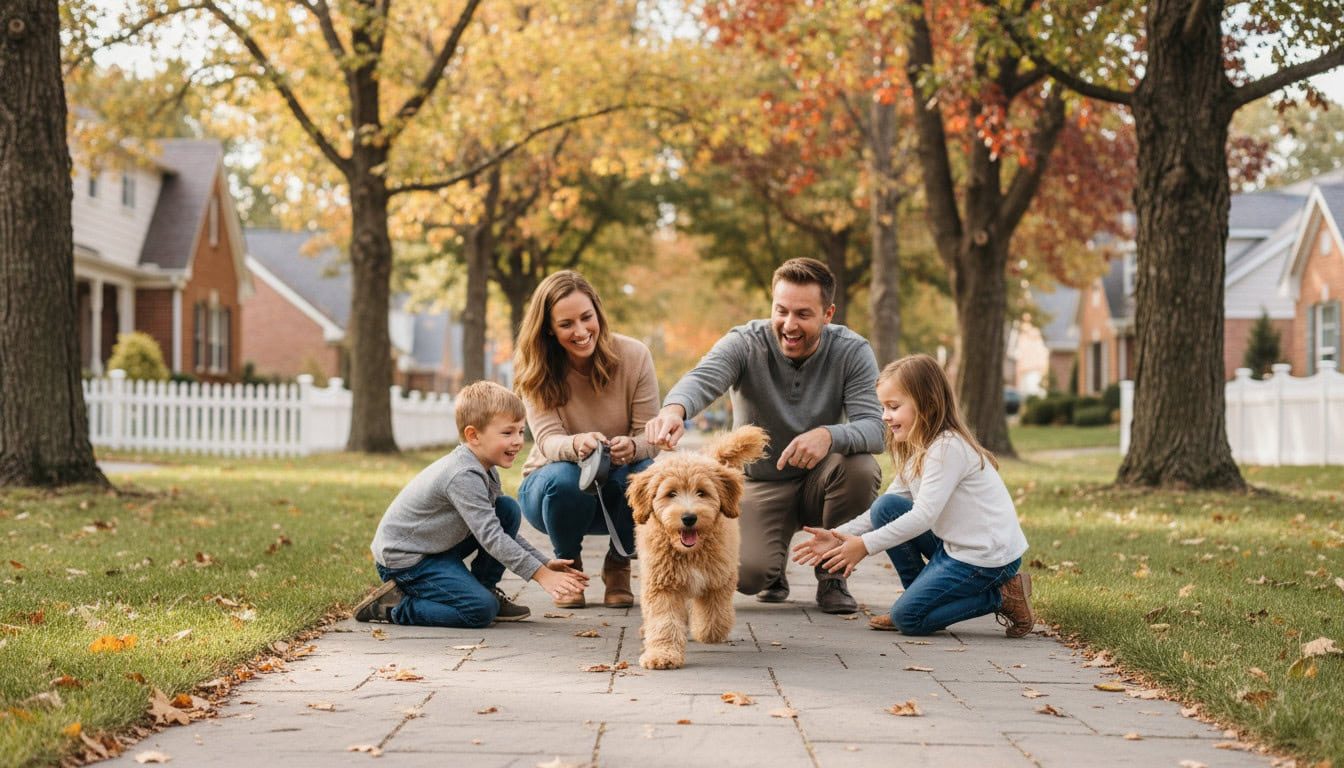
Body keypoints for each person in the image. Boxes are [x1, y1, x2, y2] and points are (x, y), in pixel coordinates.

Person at [645, 258, 885, 614]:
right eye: (781, 310)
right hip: (760, 485)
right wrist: (674, 410)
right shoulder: (745, 342)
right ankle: (773, 570)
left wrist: (829, 435)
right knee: (746, 575)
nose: (789, 324)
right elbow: (703, 377)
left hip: (821, 479)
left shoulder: (852, 351)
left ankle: (832, 576)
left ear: (828, 313)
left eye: (803, 314)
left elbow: (876, 428)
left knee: (861, 468)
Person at [791, 354, 1034, 637]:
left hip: (986, 560)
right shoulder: (921, 448)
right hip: (955, 548)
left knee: (910, 621)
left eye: (893, 407)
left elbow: (923, 516)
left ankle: (1004, 596)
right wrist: (837, 536)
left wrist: (865, 545)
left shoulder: (947, 449)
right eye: (883, 407)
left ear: (927, 406)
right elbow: (881, 512)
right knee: (887, 507)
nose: (884, 416)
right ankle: (921, 600)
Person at [356, 381, 588, 628]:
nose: (518, 441)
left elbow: (496, 528)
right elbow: (491, 537)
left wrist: (542, 562)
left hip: (437, 546)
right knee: (479, 611)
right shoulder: (462, 475)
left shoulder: (484, 467)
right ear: (473, 435)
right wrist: (541, 575)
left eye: (521, 431)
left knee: (506, 509)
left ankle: (485, 587)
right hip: (408, 561)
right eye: (507, 433)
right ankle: (394, 607)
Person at [515, 270, 660, 609]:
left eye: (586, 318)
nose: (581, 332)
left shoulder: (634, 356)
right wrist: (576, 444)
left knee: (646, 471)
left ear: (598, 312)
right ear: (549, 327)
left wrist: (632, 446)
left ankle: (619, 564)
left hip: (616, 486)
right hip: (552, 494)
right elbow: (548, 440)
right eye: (566, 324)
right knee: (566, 477)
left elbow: (649, 436)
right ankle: (570, 568)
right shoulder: (535, 366)